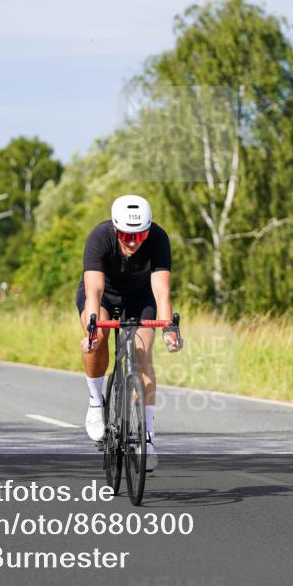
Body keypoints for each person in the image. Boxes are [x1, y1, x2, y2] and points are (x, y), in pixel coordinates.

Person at [77, 194, 181, 471]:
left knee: (143, 356)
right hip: (103, 296)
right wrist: (91, 329)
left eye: (140, 234)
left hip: (140, 296)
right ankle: (95, 400)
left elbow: (161, 292)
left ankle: (147, 440)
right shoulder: (100, 237)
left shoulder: (158, 238)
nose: (133, 241)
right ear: (115, 228)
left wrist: (169, 329)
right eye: (125, 234)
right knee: (97, 339)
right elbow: (94, 291)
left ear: (148, 230)